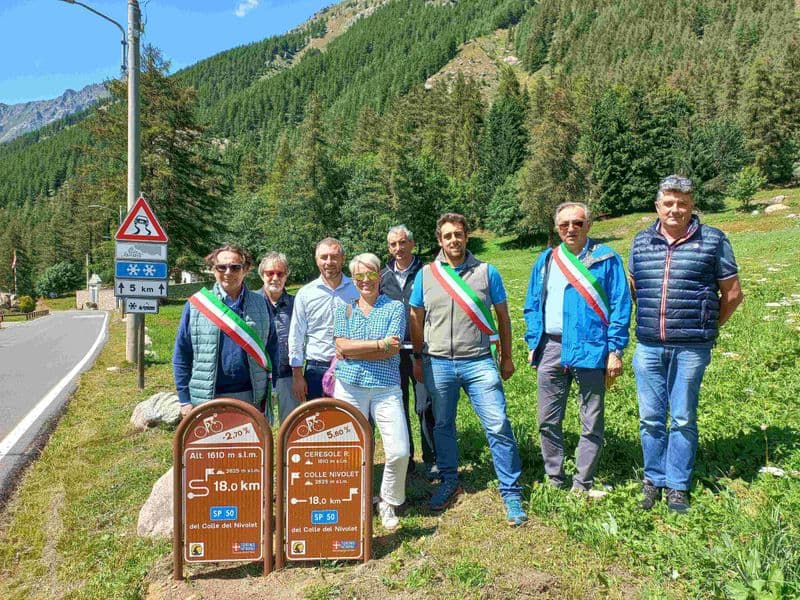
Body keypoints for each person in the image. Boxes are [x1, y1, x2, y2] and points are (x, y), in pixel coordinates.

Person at [629, 175, 744, 513]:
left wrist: (707, 326)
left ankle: (677, 485)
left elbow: (733, 294)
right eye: (669, 202)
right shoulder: (640, 241)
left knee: (681, 417)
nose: (675, 209)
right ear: (658, 206)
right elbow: (636, 287)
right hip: (649, 345)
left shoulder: (714, 240)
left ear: (692, 206)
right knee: (650, 417)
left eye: (682, 202)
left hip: (692, 348)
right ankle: (653, 479)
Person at [409, 213, 527, 527]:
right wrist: (420, 358)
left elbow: (503, 318)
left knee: (498, 424)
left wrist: (506, 357)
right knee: (444, 425)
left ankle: (511, 490)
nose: (453, 241)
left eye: (458, 234)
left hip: (479, 362)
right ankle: (450, 480)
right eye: (447, 236)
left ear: (466, 236)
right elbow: (416, 318)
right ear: (439, 240)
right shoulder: (425, 275)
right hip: (439, 363)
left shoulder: (488, 272)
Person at [523, 202, 631, 493]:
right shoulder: (546, 260)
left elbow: (621, 305)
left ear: (589, 225)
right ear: (557, 228)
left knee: (591, 420)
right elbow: (532, 304)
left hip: (592, 348)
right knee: (547, 420)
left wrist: (615, 349)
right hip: (551, 348)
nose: (571, 229)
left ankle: (582, 482)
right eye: (564, 225)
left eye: (578, 223)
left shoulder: (607, 259)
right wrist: (534, 339)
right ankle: (555, 479)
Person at [333, 253, 410, 530]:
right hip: (349, 387)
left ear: (380, 276)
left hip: (386, 388)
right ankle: (353, 501)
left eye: (371, 274)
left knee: (400, 450)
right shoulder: (342, 307)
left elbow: (393, 349)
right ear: (353, 280)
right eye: (359, 276)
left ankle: (387, 501)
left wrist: (358, 348)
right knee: (347, 451)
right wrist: (379, 345)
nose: (366, 281)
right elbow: (341, 346)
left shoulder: (395, 308)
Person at [173, 244, 278, 419]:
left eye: (235, 267)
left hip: (251, 396)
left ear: (245, 269)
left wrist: (272, 387)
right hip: (208, 398)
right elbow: (182, 354)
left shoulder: (260, 304)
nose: (228, 272)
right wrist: (184, 399)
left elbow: (272, 348)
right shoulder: (196, 306)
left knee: (250, 446)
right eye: (222, 267)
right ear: (214, 270)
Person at [379, 225, 437, 480]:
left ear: (412, 244)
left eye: (402, 243)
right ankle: (407, 459)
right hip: (393, 353)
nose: (398, 249)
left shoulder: (427, 273)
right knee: (398, 406)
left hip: (422, 350)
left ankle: (433, 458)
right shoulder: (381, 277)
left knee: (425, 405)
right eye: (393, 245)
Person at [288, 238, 359, 402]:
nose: (329, 262)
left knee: (355, 422)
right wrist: (297, 375)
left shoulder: (357, 289)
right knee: (321, 422)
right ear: (316, 260)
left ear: (343, 259)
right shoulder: (306, 293)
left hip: (353, 365)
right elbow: (296, 335)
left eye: (334, 257)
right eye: (324, 257)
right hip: (316, 369)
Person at [258, 251, 298, 424]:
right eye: (270, 273)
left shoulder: (296, 304)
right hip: (258, 377)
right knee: (258, 428)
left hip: (288, 374)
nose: (275, 278)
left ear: (286, 276)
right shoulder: (251, 303)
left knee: (291, 427)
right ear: (262, 275)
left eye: (280, 273)